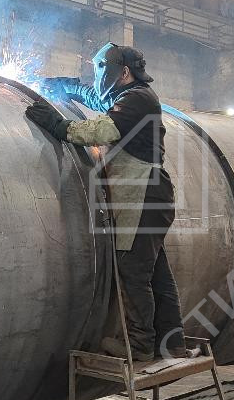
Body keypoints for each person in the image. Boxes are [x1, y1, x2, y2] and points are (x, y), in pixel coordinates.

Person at [25, 43, 186, 363]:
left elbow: (100, 129)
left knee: (133, 271)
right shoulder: (130, 97)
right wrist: (65, 86)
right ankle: (172, 343)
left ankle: (140, 344)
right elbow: (97, 99)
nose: (98, 75)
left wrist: (58, 125)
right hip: (149, 195)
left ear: (124, 72)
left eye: (101, 69)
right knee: (155, 273)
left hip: (142, 196)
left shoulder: (138, 99)